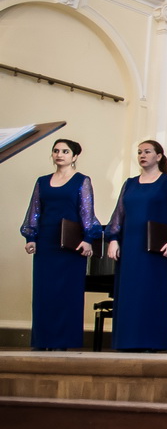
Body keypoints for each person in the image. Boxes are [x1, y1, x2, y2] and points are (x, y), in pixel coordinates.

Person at [21, 138, 101, 350]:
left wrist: (88, 239)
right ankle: (43, 341)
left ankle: (63, 342)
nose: (59, 154)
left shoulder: (82, 180)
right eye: (56, 151)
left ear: (74, 157)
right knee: (44, 293)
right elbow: (34, 211)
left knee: (67, 293)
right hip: (46, 243)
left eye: (65, 151)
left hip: (70, 245)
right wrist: (31, 237)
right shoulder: (42, 181)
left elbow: (87, 212)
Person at [105, 140, 167, 351]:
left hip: (157, 250)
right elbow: (118, 214)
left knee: (152, 293)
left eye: (147, 152)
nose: (142, 155)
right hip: (130, 248)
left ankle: (152, 341)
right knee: (130, 293)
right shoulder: (129, 183)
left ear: (158, 156)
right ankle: (127, 341)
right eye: (139, 152)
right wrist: (113, 239)